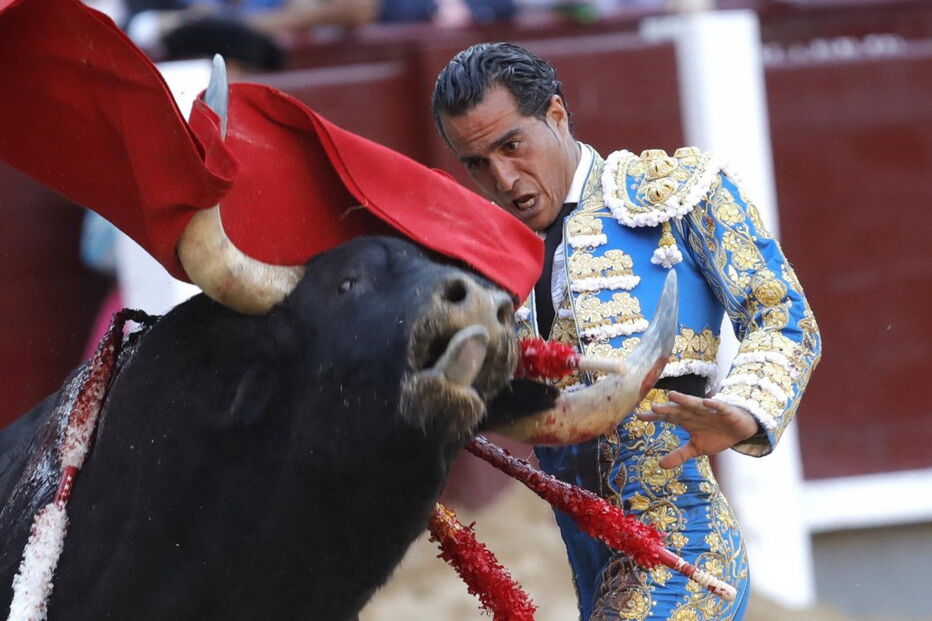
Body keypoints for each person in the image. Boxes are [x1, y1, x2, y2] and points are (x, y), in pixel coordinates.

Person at [431, 42, 821, 620]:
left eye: (512, 146)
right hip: (595, 573)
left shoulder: (674, 194)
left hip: (682, 555)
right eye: (477, 163)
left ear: (557, 116)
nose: (503, 178)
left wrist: (746, 407)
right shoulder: (482, 261)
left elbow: (781, 315)